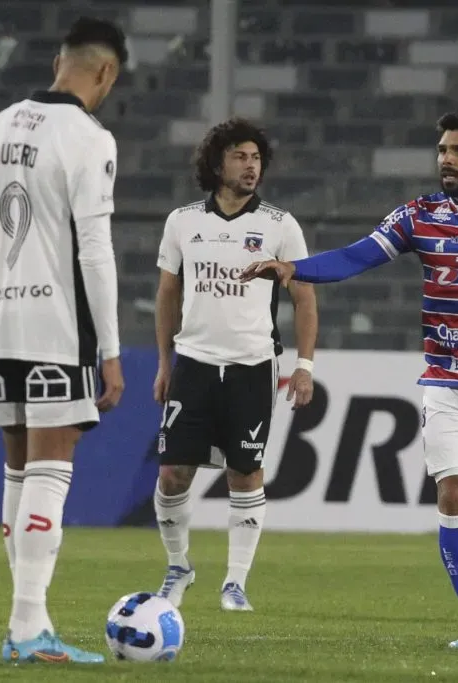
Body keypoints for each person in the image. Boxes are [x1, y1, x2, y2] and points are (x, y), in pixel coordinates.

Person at [240, 110, 458, 649]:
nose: (446, 160)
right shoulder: (420, 215)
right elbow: (357, 257)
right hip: (448, 383)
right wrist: (297, 269)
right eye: (442, 150)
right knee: (455, 496)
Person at [0, 17, 128, 665]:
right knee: (51, 467)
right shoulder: (89, 137)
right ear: (106, 72)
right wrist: (110, 348)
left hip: (1, 322)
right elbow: (95, 249)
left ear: (60, 61)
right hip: (57, 325)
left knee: (18, 468)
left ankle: (29, 621)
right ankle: (27, 627)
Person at [151, 118, 319, 612]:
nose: (251, 166)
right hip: (194, 363)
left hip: (252, 366)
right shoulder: (182, 221)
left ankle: (235, 582)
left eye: (256, 158)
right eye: (240, 157)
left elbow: (305, 298)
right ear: (216, 162)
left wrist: (305, 365)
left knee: (245, 473)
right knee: (172, 474)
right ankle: (178, 566)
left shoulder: (279, 224)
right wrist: (164, 363)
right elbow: (167, 294)